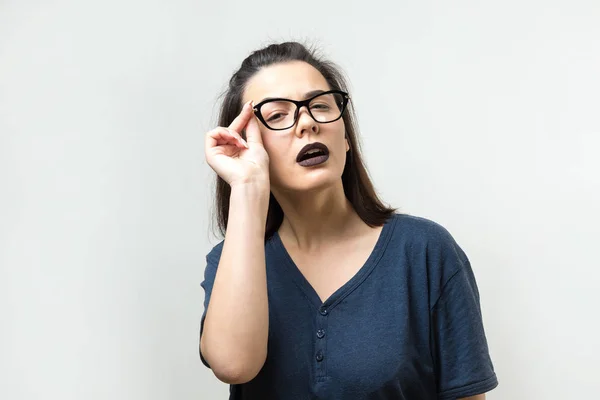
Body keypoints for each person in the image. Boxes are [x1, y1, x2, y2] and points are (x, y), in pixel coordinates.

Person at [200, 41, 498, 400]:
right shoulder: (230, 261)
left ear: (346, 139)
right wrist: (247, 186)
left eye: (321, 106)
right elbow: (234, 367)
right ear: (246, 144)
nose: (307, 123)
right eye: (277, 115)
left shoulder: (424, 252)